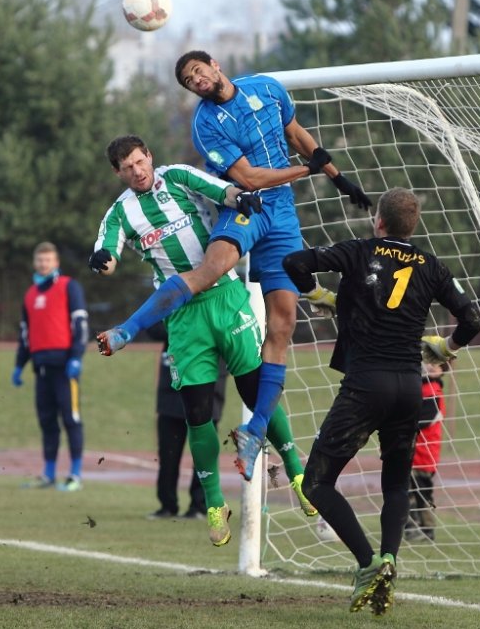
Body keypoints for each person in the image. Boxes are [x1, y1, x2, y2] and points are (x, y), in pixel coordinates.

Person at [96, 51, 371, 481]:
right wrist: (307, 169)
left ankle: (255, 430)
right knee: (211, 270)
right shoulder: (206, 125)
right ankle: (126, 329)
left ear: (215, 64)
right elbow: (249, 180)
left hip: (283, 217)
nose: (197, 81)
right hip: (247, 207)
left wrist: (337, 177)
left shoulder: (267, 87)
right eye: (189, 81)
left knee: (282, 323)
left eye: (198, 71)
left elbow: (296, 132)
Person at [91, 134, 317, 546]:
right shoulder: (119, 214)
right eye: (128, 168)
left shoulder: (175, 176)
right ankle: (215, 504)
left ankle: (299, 475)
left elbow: (220, 190)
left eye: (141, 162)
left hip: (224, 296)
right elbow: (107, 250)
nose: (137, 171)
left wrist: (239, 198)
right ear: (117, 173)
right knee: (196, 412)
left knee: (256, 389)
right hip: (181, 318)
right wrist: (103, 261)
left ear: (150, 157)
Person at [282, 187, 480, 615]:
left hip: (365, 386)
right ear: (412, 227)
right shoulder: (431, 266)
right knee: (395, 483)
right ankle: (390, 560)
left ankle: (367, 563)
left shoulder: (358, 251)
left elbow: (294, 262)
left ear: (379, 222)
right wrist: (447, 348)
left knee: (316, 481)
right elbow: (472, 320)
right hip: (409, 388)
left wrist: (317, 295)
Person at [12, 242, 89, 492]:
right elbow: (26, 334)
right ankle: (48, 474)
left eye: (48, 260)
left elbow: (80, 325)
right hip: (41, 367)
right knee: (47, 421)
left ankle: (75, 474)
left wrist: (77, 356)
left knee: (71, 419)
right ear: (35, 263)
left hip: (65, 366)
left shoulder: (69, 287)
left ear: (56, 263)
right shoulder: (30, 294)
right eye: (40, 260)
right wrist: (19, 365)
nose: (43, 264)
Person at [147, 322, 226, 520]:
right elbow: (152, 327)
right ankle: (167, 505)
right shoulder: (174, 300)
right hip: (172, 393)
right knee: (168, 454)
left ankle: (199, 506)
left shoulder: (220, 306)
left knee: (204, 456)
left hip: (207, 390)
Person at [405, 361, 449, 542]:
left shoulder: (434, 391)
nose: (431, 367)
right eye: (430, 363)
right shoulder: (418, 387)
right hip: (409, 450)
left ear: (442, 371)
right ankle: (410, 527)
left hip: (425, 452)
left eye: (437, 365)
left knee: (422, 491)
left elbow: (425, 418)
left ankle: (427, 529)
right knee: (405, 488)